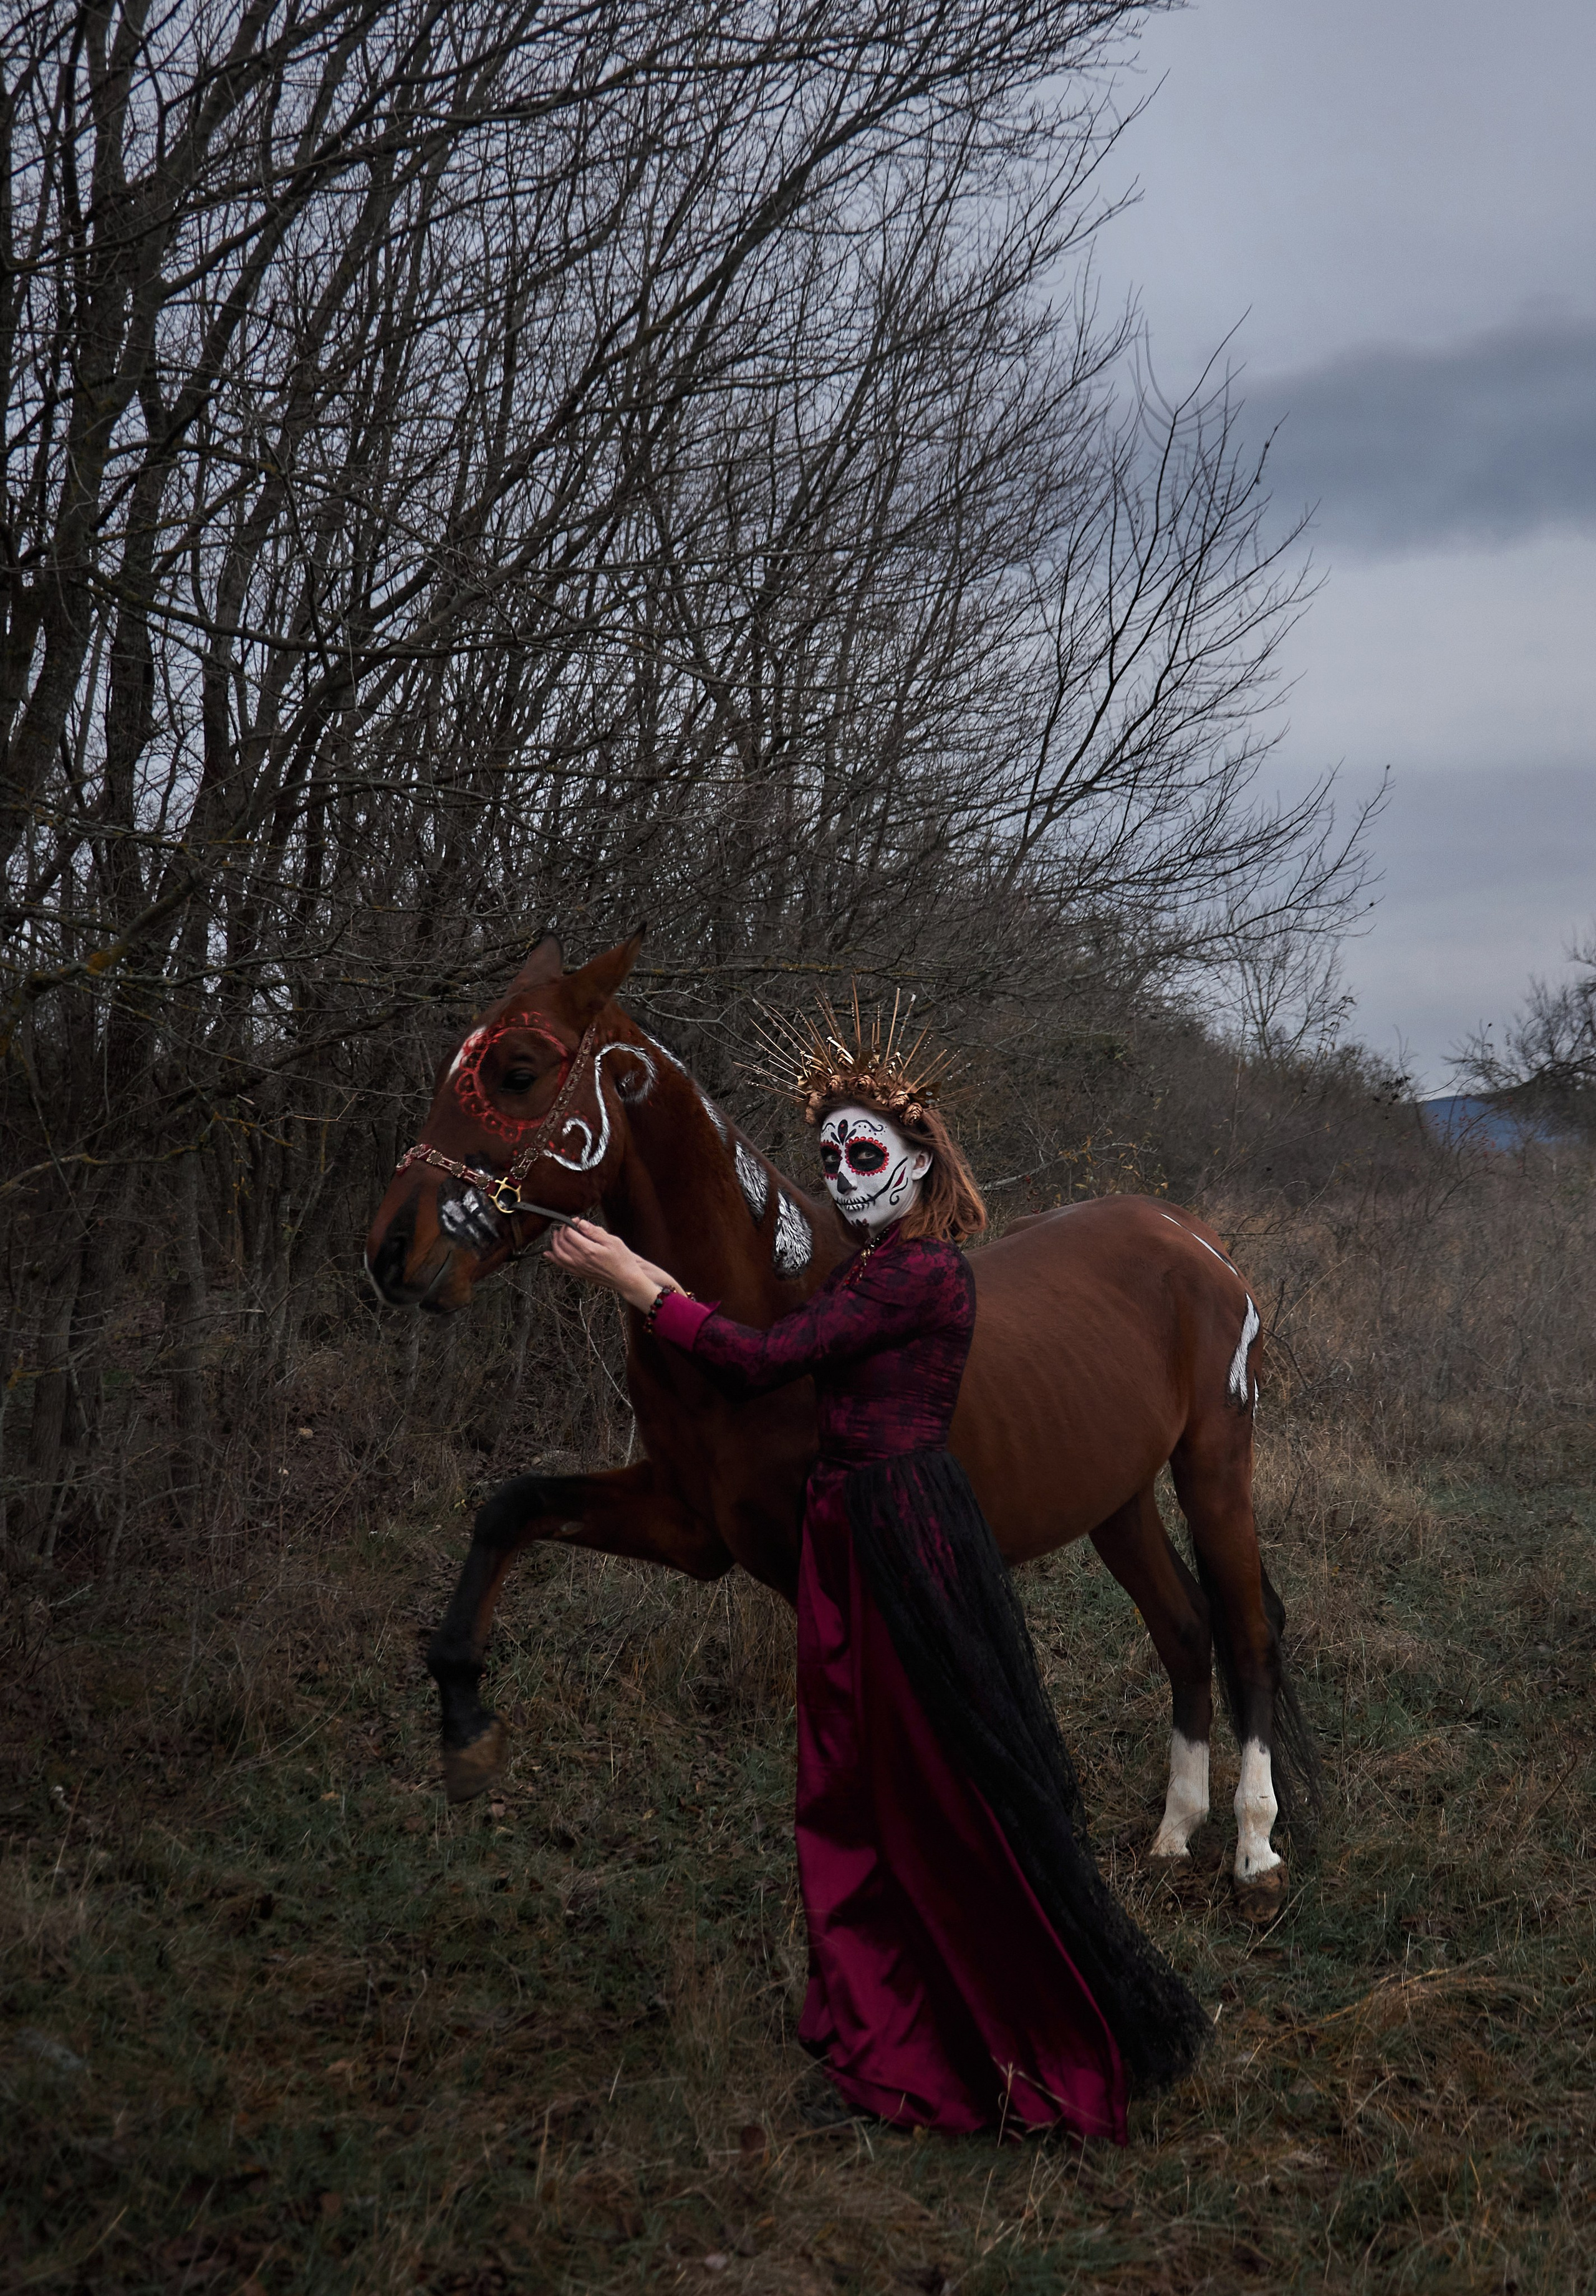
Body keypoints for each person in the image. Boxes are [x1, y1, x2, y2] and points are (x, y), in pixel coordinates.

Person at [549, 995, 1206, 2138]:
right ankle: (879, 2011)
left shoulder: (923, 1276)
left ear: (917, 1166)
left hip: (904, 1529)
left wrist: (639, 1282)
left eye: (866, 1157)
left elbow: (762, 1360)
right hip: (848, 1532)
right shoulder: (863, 1271)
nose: (845, 1178)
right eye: (829, 1160)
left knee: (929, 1787)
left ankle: (988, 2032)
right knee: (850, 1782)